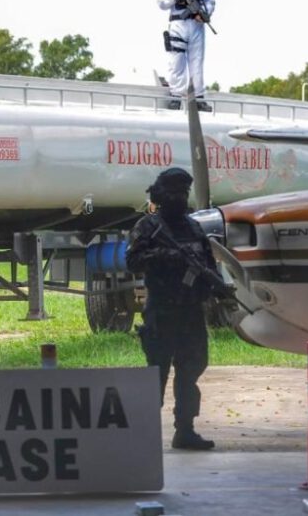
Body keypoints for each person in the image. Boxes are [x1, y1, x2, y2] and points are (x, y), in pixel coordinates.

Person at [125, 168, 216, 450]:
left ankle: (185, 430)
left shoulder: (193, 227)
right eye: (175, 192)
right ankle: (146, 435)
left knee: (191, 369)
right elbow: (133, 261)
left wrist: (213, 285)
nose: (180, 198)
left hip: (191, 311)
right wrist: (167, 256)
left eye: (184, 192)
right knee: (157, 374)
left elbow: (208, 262)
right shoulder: (149, 227)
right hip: (162, 310)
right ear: (161, 195)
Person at [158, 0, 216, 112]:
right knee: (176, 61)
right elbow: (161, 3)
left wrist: (204, 13)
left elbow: (210, 0)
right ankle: (176, 96)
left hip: (196, 24)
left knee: (197, 62)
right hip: (178, 23)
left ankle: (198, 98)